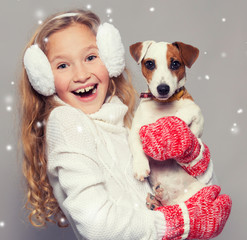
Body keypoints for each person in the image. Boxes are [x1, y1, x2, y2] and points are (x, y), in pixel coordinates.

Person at [19, 9, 231, 240]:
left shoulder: (121, 121)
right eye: (62, 65)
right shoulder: (68, 123)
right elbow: (97, 225)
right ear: (44, 78)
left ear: (111, 60)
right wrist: (178, 221)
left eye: (91, 57)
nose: (81, 75)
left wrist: (192, 156)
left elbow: (181, 189)